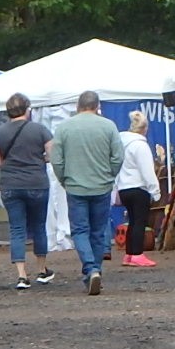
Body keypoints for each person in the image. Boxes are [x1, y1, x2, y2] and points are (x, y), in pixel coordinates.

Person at [50, 91, 124, 296]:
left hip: (76, 187)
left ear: (77, 106)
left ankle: (90, 269)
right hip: (101, 186)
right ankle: (96, 270)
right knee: (98, 231)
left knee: (80, 231)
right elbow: (118, 156)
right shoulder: (109, 126)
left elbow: (56, 159)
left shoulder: (64, 128)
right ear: (97, 106)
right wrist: (110, 175)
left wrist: (64, 179)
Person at [0, 93, 56, 289]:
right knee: (39, 226)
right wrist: (39, 159)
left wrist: (11, 163)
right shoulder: (40, 130)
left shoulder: (0, 132)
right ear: (28, 109)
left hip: (10, 184)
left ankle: (21, 275)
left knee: (17, 229)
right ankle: (42, 270)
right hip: (37, 182)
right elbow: (52, 154)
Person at [115, 111, 162, 268]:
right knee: (139, 221)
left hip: (124, 188)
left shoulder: (122, 144)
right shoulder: (141, 146)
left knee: (132, 221)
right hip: (138, 188)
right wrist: (155, 191)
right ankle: (137, 254)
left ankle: (129, 254)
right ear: (145, 128)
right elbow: (147, 170)